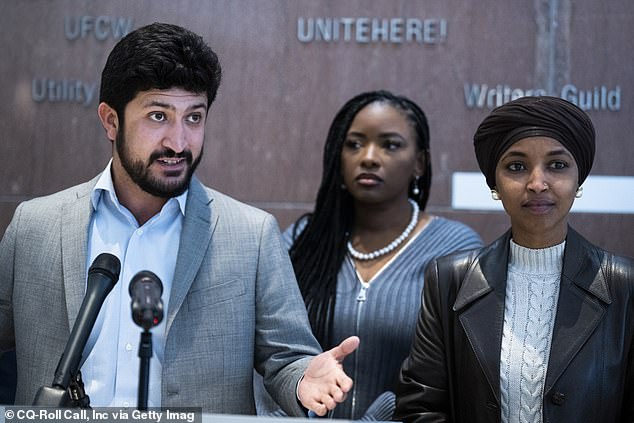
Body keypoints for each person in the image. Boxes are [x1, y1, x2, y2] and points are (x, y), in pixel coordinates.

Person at [0, 22, 360, 416]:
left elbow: (287, 360)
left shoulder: (250, 235)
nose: (178, 142)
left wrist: (303, 378)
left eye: (194, 118)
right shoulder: (35, 226)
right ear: (110, 121)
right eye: (158, 116)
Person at [394, 96, 634, 423]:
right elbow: (420, 409)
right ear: (495, 183)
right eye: (517, 167)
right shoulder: (449, 279)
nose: (537, 184)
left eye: (557, 165)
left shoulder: (624, 284)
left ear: (579, 180)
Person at [255, 90, 483, 420]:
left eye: (390, 145)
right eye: (354, 144)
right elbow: (271, 354)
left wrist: (383, 413)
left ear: (419, 162)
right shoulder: (303, 242)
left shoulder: (456, 249)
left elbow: (462, 373)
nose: (369, 157)